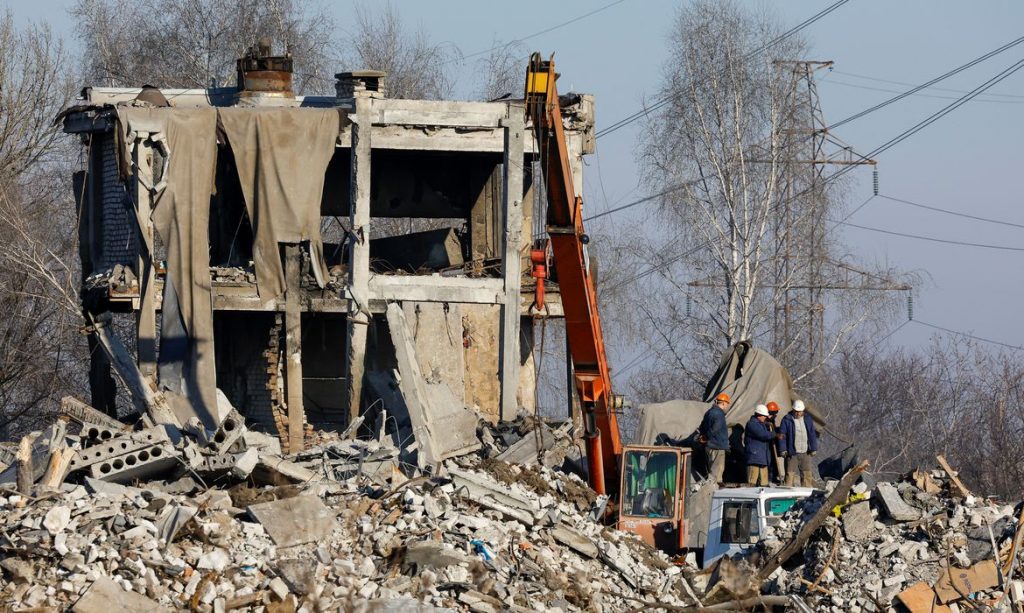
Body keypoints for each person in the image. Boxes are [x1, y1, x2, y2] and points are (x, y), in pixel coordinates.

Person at [779, 399, 819, 487]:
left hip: (805, 451)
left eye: (800, 412)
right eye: (796, 411)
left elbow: (812, 433)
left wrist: (813, 448)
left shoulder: (808, 419)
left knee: (807, 475)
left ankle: (806, 494)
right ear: (793, 410)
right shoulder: (787, 420)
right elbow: (782, 436)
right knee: (790, 474)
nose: (798, 414)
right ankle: (788, 495)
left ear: (803, 411)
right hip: (792, 452)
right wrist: (783, 449)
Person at [698, 392, 730, 484]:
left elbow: (701, 427)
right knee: (716, 475)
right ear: (723, 403)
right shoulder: (720, 414)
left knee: (711, 473)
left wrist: (704, 437)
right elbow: (716, 428)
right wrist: (707, 436)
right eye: (727, 404)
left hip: (709, 446)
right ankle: (713, 494)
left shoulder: (708, 412)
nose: (727, 406)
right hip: (718, 446)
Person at [744, 404, 774, 486]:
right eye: (764, 416)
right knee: (752, 483)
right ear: (759, 415)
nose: (765, 417)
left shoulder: (762, 425)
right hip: (754, 458)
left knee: (764, 484)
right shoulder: (752, 424)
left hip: (762, 459)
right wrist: (774, 434)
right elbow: (763, 435)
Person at [766, 401, 784, 483]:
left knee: (773, 461)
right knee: (769, 462)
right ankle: (770, 477)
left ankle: (774, 476)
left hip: (772, 445)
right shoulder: (766, 421)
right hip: (767, 446)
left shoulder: (772, 421)